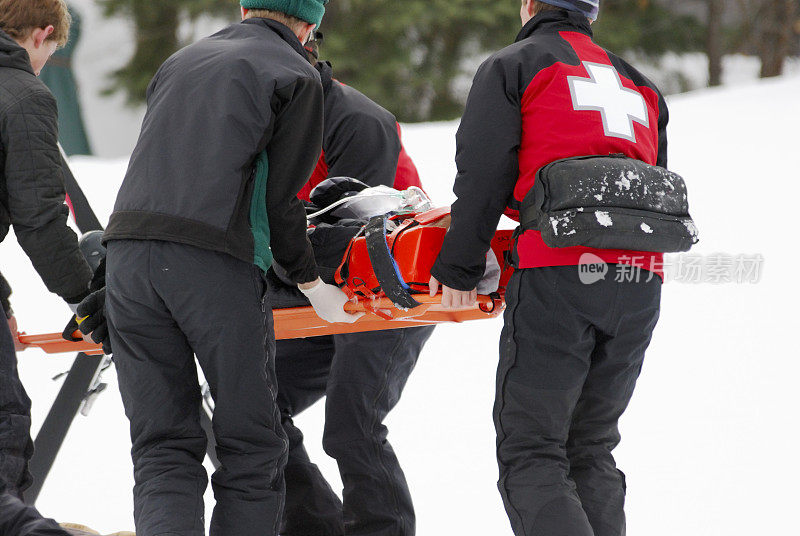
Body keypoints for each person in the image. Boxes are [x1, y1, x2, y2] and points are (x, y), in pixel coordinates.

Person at [98, 0, 361, 535]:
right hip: (211, 261)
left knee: (163, 444)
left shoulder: (181, 60)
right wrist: (311, 282)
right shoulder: (295, 74)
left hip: (125, 255)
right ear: (312, 25)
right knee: (253, 446)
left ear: (245, 8)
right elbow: (282, 202)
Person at [429, 1, 668, 535]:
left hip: (560, 270)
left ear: (530, 5)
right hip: (640, 280)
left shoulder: (516, 64)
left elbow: (484, 172)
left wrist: (460, 266)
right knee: (591, 447)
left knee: (533, 451)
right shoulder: (641, 84)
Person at [275, 35, 433, 536]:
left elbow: (359, 239)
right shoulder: (261, 126)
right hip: (316, 286)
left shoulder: (355, 120)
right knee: (245, 408)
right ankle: (315, 526)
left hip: (388, 283)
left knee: (353, 429)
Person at [0, 0, 93, 502]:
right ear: (44, 34)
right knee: (3, 427)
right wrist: (88, 296)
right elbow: (39, 219)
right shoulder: (23, 94)